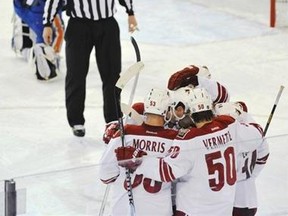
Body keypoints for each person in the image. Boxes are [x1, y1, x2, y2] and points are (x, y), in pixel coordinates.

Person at [115, 88, 265, 216]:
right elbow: (258, 134)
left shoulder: (189, 139)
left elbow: (167, 172)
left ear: (190, 113)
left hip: (193, 211)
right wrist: (241, 114)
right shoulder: (229, 126)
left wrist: (138, 160)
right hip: (224, 210)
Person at [42, 0, 138, 137]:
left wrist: (130, 12)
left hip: (107, 25)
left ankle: (113, 120)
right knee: (76, 74)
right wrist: (47, 23)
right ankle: (76, 121)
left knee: (112, 75)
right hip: (78, 26)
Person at [99, 88, 178, 216]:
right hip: (159, 211)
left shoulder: (125, 134)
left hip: (122, 210)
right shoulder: (175, 139)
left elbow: (105, 176)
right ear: (166, 110)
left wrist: (109, 144)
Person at [214, 102, 270, 216]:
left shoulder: (227, 136)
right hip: (249, 198)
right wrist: (250, 176)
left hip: (231, 199)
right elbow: (264, 154)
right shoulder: (253, 133)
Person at [12, 0, 65, 80]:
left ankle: (30, 51)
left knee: (25, 45)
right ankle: (38, 54)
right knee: (48, 38)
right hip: (42, 11)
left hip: (29, 9)